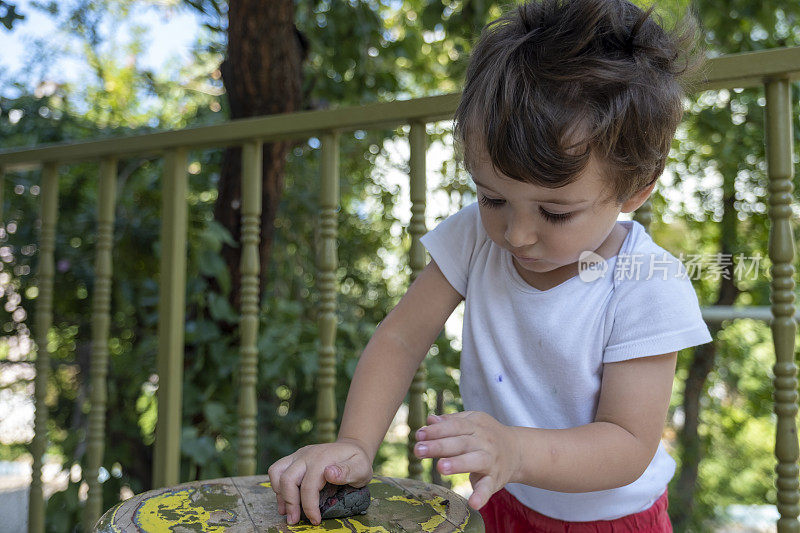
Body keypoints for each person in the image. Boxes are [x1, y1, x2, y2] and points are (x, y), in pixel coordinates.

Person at [268, 0, 710, 530]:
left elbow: (628, 444)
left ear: (635, 190)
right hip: (500, 500)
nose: (516, 234)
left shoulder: (647, 283)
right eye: (492, 198)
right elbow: (400, 340)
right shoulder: (475, 237)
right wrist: (355, 444)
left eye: (554, 211)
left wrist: (515, 451)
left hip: (614, 520)